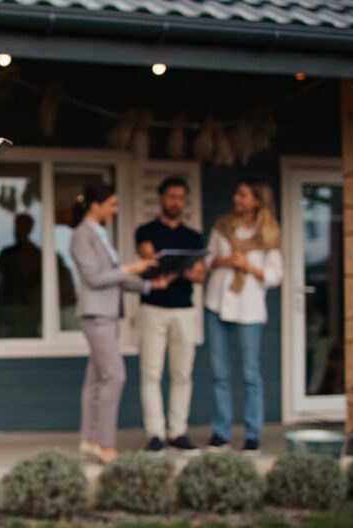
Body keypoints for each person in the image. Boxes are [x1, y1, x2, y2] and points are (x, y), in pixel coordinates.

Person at [70, 183, 172, 464]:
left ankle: (90, 440)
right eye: (112, 205)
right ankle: (106, 445)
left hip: (109, 314)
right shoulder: (81, 235)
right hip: (96, 314)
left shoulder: (101, 234)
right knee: (115, 376)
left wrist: (149, 284)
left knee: (96, 379)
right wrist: (130, 267)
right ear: (95, 205)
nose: (115, 210)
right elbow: (94, 278)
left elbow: (114, 277)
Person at [205, 179, 283, 453]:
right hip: (217, 303)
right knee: (220, 373)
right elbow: (208, 260)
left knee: (250, 374)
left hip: (249, 309)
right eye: (236, 194)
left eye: (243, 195)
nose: (237, 199)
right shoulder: (222, 226)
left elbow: (275, 275)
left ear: (257, 200)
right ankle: (221, 432)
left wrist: (248, 266)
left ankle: (252, 434)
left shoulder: (269, 233)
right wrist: (226, 261)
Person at [135, 177, 206, 453]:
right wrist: (174, 268)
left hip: (184, 309)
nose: (176, 202)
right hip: (153, 308)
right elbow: (149, 261)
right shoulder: (146, 231)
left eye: (181, 198)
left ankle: (178, 432)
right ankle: (155, 433)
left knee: (182, 373)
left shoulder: (193, 237)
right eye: (171, 196)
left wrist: (184, 270)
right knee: (151, 371)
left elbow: (199, 274)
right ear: (161, 198)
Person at [0, 213, 42, 337]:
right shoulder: (6, 253)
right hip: (7, 306)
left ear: (29, 229)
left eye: (21, 226)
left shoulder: (36, 254)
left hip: (28, 309)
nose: (17, 230)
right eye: (17, 226)